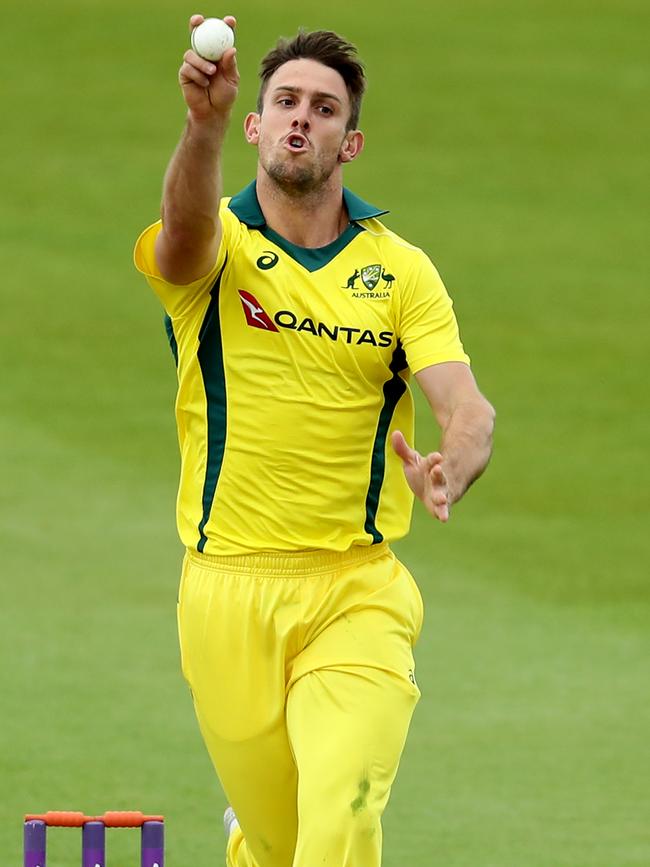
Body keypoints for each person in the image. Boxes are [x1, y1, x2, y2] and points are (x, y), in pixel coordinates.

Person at [134, 13, 495, 867]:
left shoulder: (399, 268)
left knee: (342, 812)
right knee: (279, 841)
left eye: (324, 108)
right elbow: (181, 239)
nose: (303, 117)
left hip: (354, 588)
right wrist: (201, 127)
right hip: (224, 591)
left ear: (351, 141)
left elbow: (467, 405)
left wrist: (456, 463)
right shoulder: (217, 250)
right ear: (256, 124)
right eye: (286, 102)